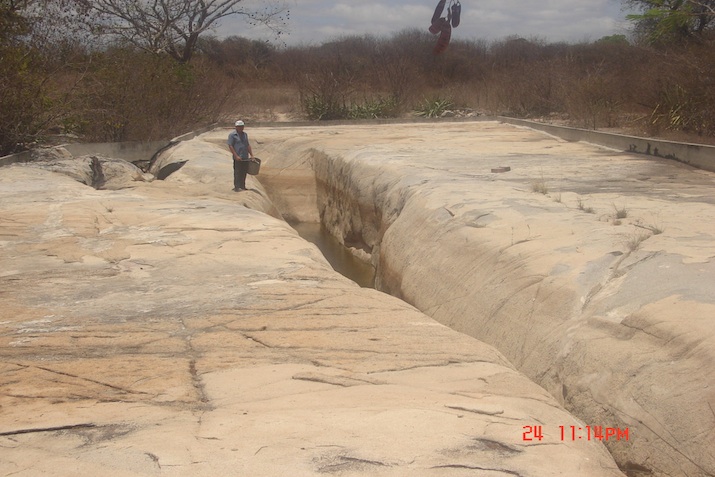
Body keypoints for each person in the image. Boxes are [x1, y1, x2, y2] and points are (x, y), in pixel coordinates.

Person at [227, 120, 254, 191]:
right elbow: (230, 145)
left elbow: (247, 145)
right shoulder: (232, 135)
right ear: (236, 127)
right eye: (239, 127)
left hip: (245, 157)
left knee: (244, 172)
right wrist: (236, 155)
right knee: (237, 172)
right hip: (238, 157)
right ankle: (237, 186)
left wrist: (251, 155)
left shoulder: (245, 135)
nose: (241, 128)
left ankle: (242, 186)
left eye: (242, 126)